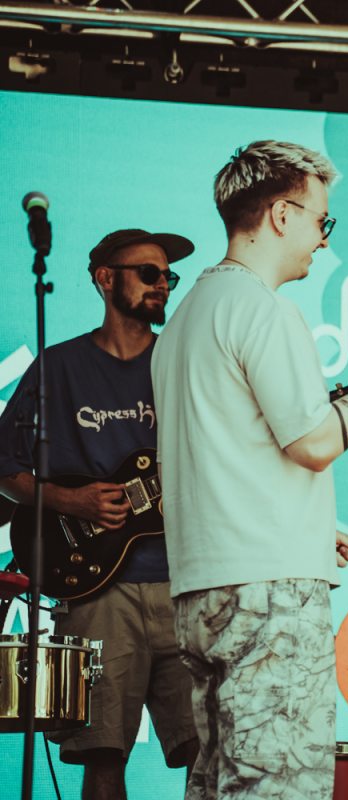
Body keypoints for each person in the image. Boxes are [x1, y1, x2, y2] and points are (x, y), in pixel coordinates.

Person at [151, 140, 348, 799]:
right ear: (282, 215)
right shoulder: (262, 308)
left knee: (220, 784)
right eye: (320, 219)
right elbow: (313, 442)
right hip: (270, 599)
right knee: (277, 786)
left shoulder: (185, 320)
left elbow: (218, 460)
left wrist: (308, 524)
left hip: (200, 590)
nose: (324, 238)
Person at [0, 228, 199, 799]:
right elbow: (5, 466)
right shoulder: (58, 366)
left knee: (208, 751)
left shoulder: (184, 364)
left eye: (168, 276)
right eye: (149, 273)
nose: (163, 285)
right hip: (95, 588)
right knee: (103, 756)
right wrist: (71, 500)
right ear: (105, 278)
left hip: (187, 582)